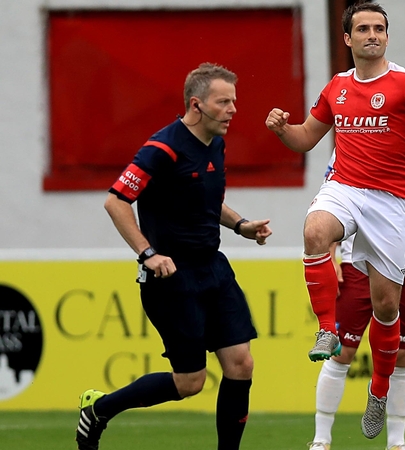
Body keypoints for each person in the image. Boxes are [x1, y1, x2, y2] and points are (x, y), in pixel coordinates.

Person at [265, 2, 405, 440]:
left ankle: (380, 391)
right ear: (348, 39)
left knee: (387, 307)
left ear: (387, 37)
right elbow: (306, 138)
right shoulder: (336, 87)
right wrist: (282, 129)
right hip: (346, 188)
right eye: (364, 29)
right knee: (315, 230)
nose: (373, 35)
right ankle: (326, 330)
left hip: (391, 204)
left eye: (380, 29)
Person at [76, 62, 272, 450]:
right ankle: (98, 409)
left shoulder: (216, 142)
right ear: (196, 105)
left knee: (241, 364)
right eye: (224, 102)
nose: (233, 109)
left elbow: (204, 199)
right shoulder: (161, 148)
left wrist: (241, 225)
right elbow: (115, 201)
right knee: (190, 383)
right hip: (172, 278)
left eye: (234, 101)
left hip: (213, 268)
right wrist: (148, 253)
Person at [310, 148, 405, 450]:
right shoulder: (350, 145)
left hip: (400, 262)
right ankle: (321, 439)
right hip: (357, 263)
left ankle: (396, 441)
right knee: (342, 352)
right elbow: (330, 200)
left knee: (403, 355)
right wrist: (329, 252)